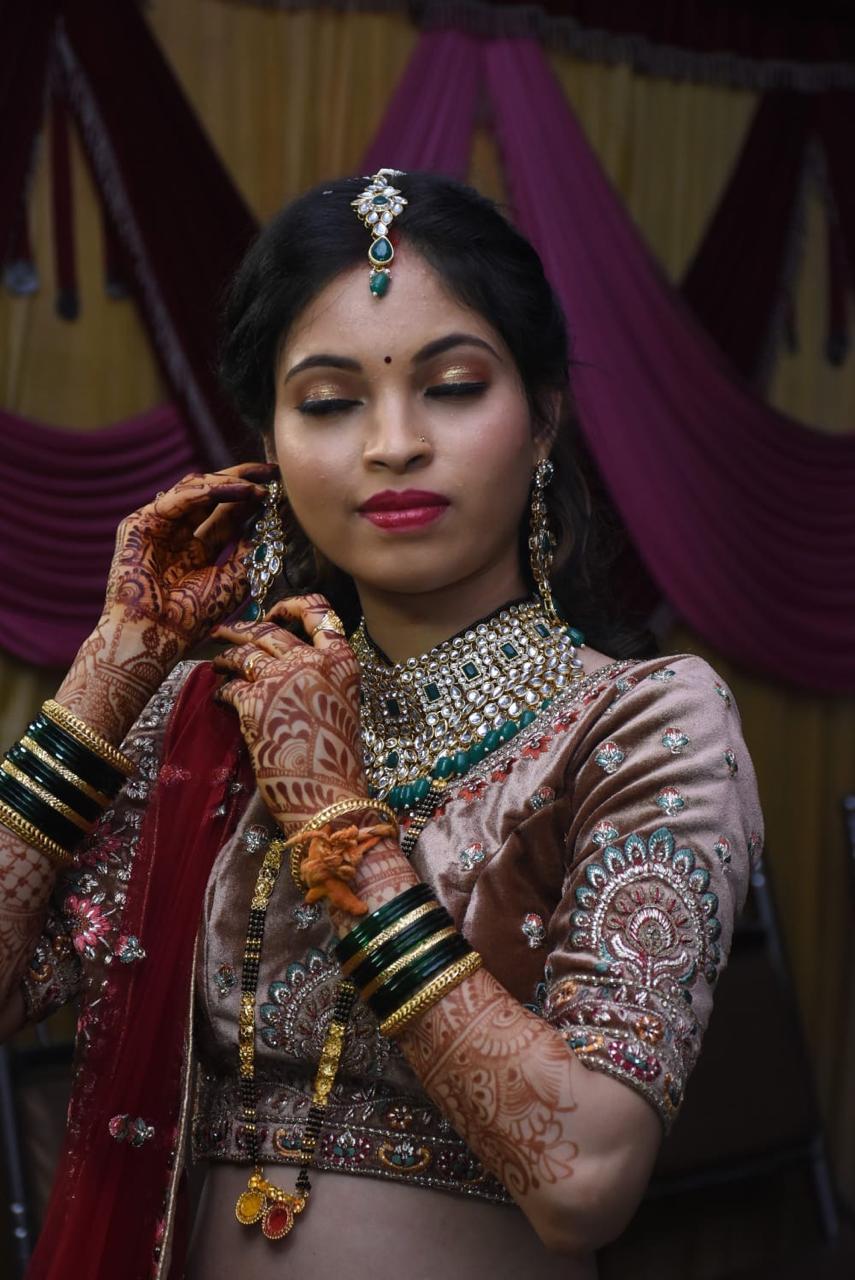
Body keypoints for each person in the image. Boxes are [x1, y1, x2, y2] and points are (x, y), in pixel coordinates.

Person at [0, 170, 763, 1280]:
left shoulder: (643, 721)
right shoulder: (216, 717)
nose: (393, 442)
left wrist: (337, 825)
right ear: (266, 442)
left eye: (452, 387)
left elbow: (586, 1179)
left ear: (543, 418)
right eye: (328, 401)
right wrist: (112, 670)